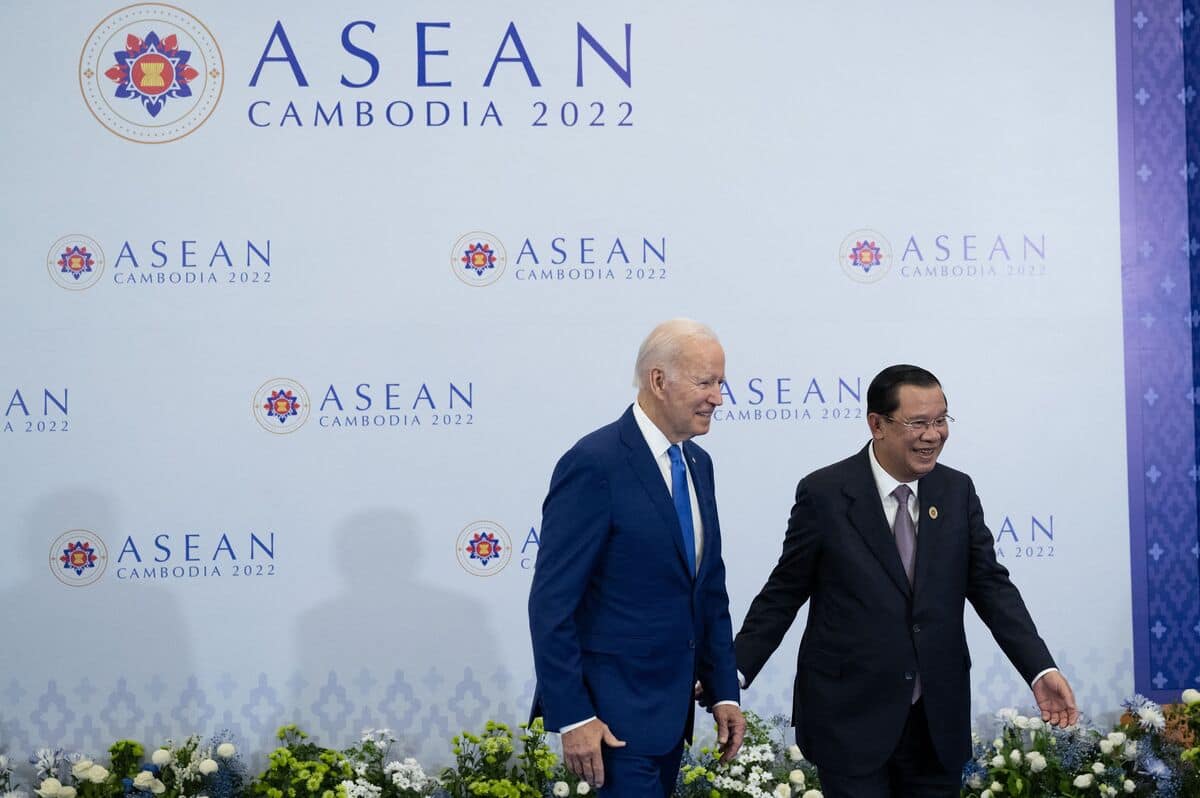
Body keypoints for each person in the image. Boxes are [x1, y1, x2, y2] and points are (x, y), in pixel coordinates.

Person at [734, 364, 1078, 798]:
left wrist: (1039, 668)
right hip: (850, 717)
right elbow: (784, 592)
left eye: (941, 420)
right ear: (877, 425)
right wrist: (734, 670)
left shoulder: (957, 491)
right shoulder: (825, 494)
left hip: (936, 722)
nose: (933, 435)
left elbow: (993, 589)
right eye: (918, 423)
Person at [528, 319, 746, 796]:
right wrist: (573, 715)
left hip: (670, 719)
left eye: (720, 383)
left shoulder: (698, 463)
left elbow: (708, 590)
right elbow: (552, 603)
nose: (718, 398)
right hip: (610, 723)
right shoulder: (594, 462)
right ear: (659, 380)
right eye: (705, 382)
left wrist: (724, 692)